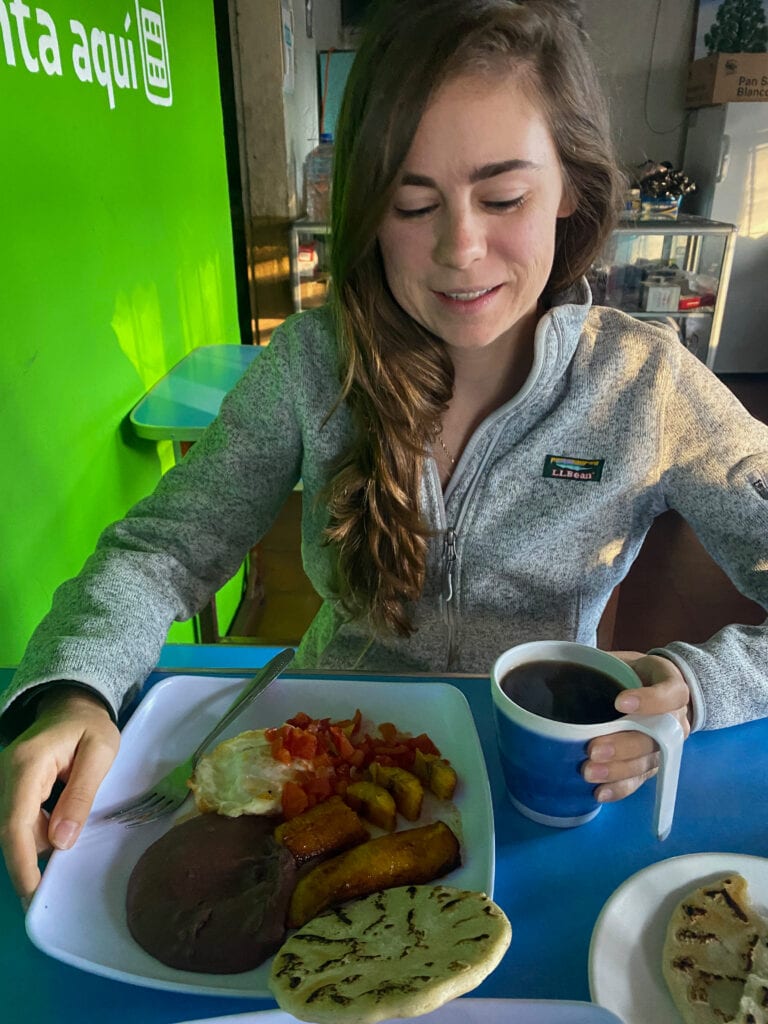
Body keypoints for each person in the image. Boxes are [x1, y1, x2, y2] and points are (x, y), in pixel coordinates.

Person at [1, 0, 767, 902]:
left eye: (505, 196)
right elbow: (163, 549)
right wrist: (77, 689)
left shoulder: (646, 383)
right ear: (368, 207)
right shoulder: (313, 363)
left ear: (572, 190)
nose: (460, 249)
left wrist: (695, 681)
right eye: (412, 202)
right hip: (323, 762)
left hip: (537, 793)